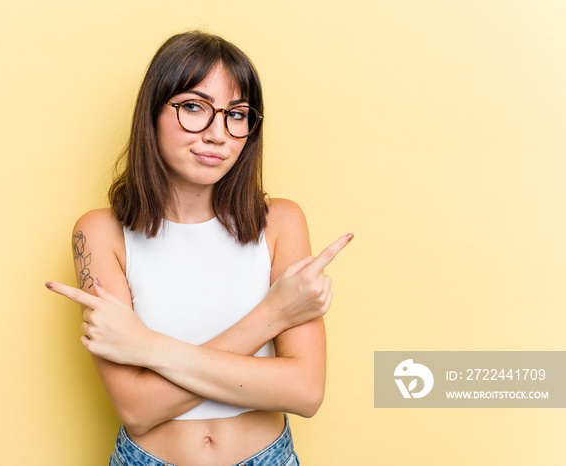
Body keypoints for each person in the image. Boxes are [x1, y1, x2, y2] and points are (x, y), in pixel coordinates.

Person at [46, 30, 353, 466]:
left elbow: (304, 390)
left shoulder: (281, 222)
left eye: (237, 114)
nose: (218, 134)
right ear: (152, 111)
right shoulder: (101, 233)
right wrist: (273, 315)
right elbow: (137, 410)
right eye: (194, 107)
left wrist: (148, 347)